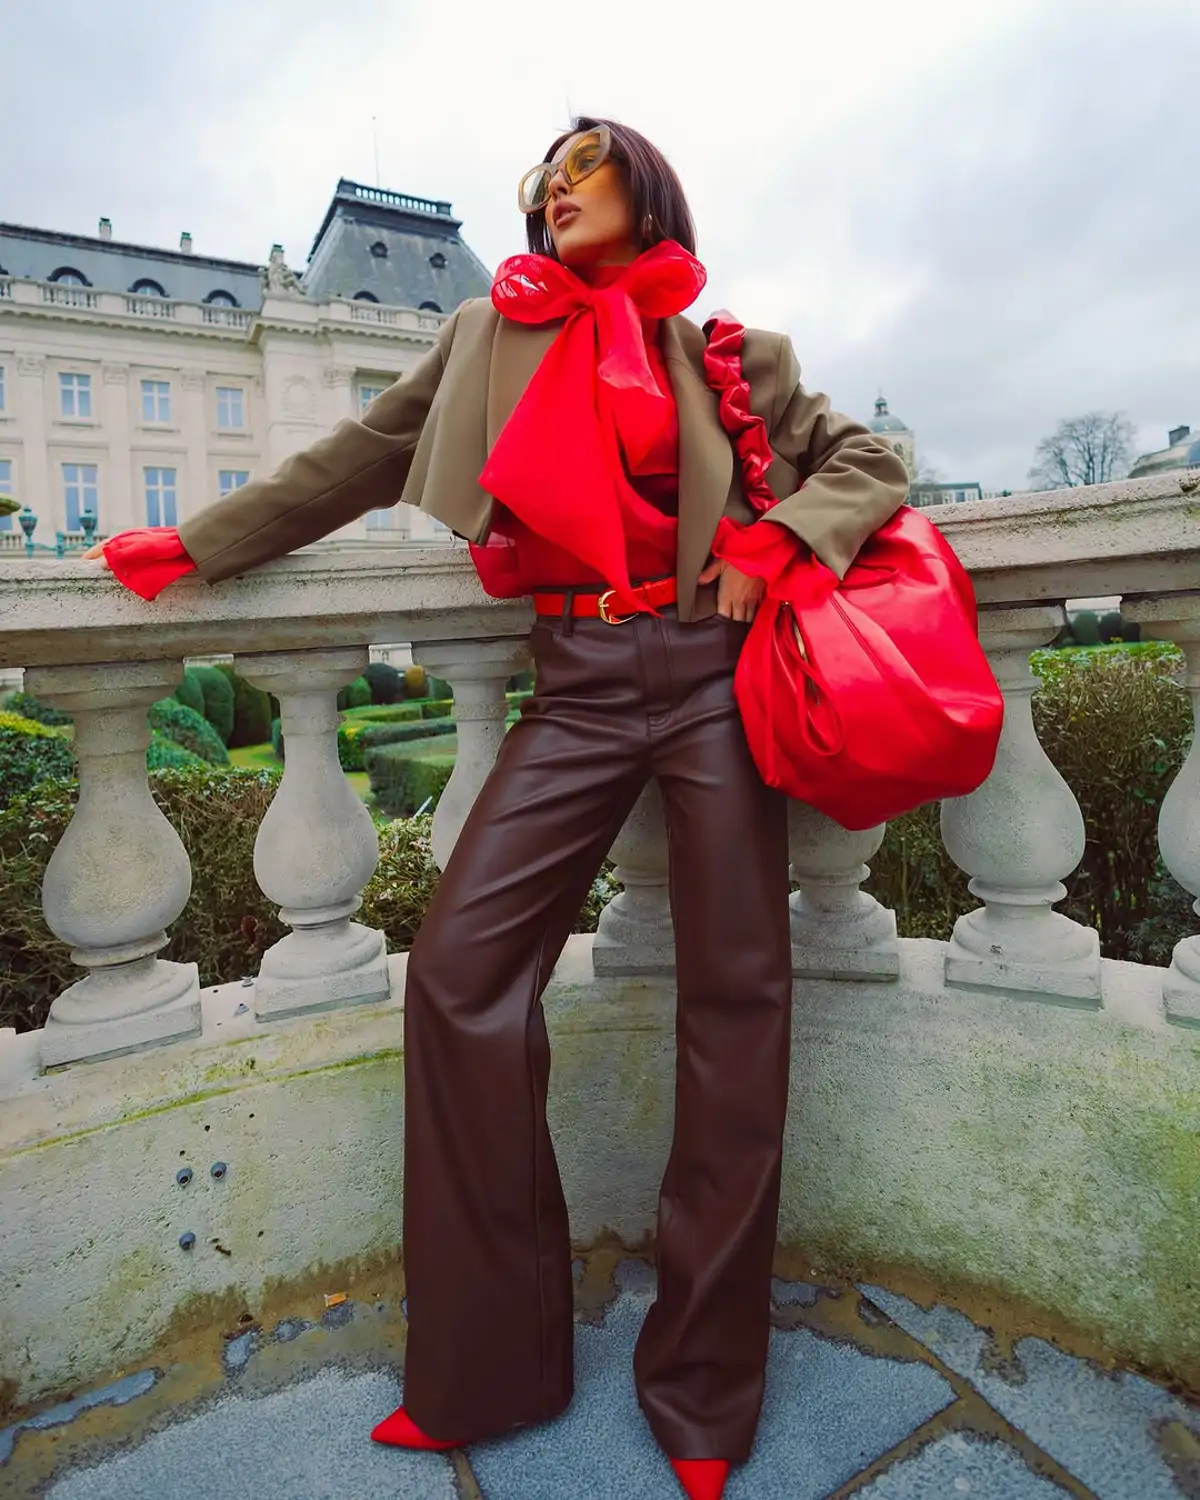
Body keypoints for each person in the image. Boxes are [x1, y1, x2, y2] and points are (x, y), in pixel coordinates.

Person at [86, 118, 908, 1499]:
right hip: (577, 683)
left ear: (645, 186)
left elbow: (870, 464)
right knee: (460, 975)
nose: (556, 181)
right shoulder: (491, 332)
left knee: (741, 1001)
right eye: (544, 172)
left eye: (585, 158)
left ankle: (705, 1387)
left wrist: (773, 540)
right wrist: (197, 542)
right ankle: (488, 1363)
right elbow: (357, 456)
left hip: (716, 681)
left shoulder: (727, 356)